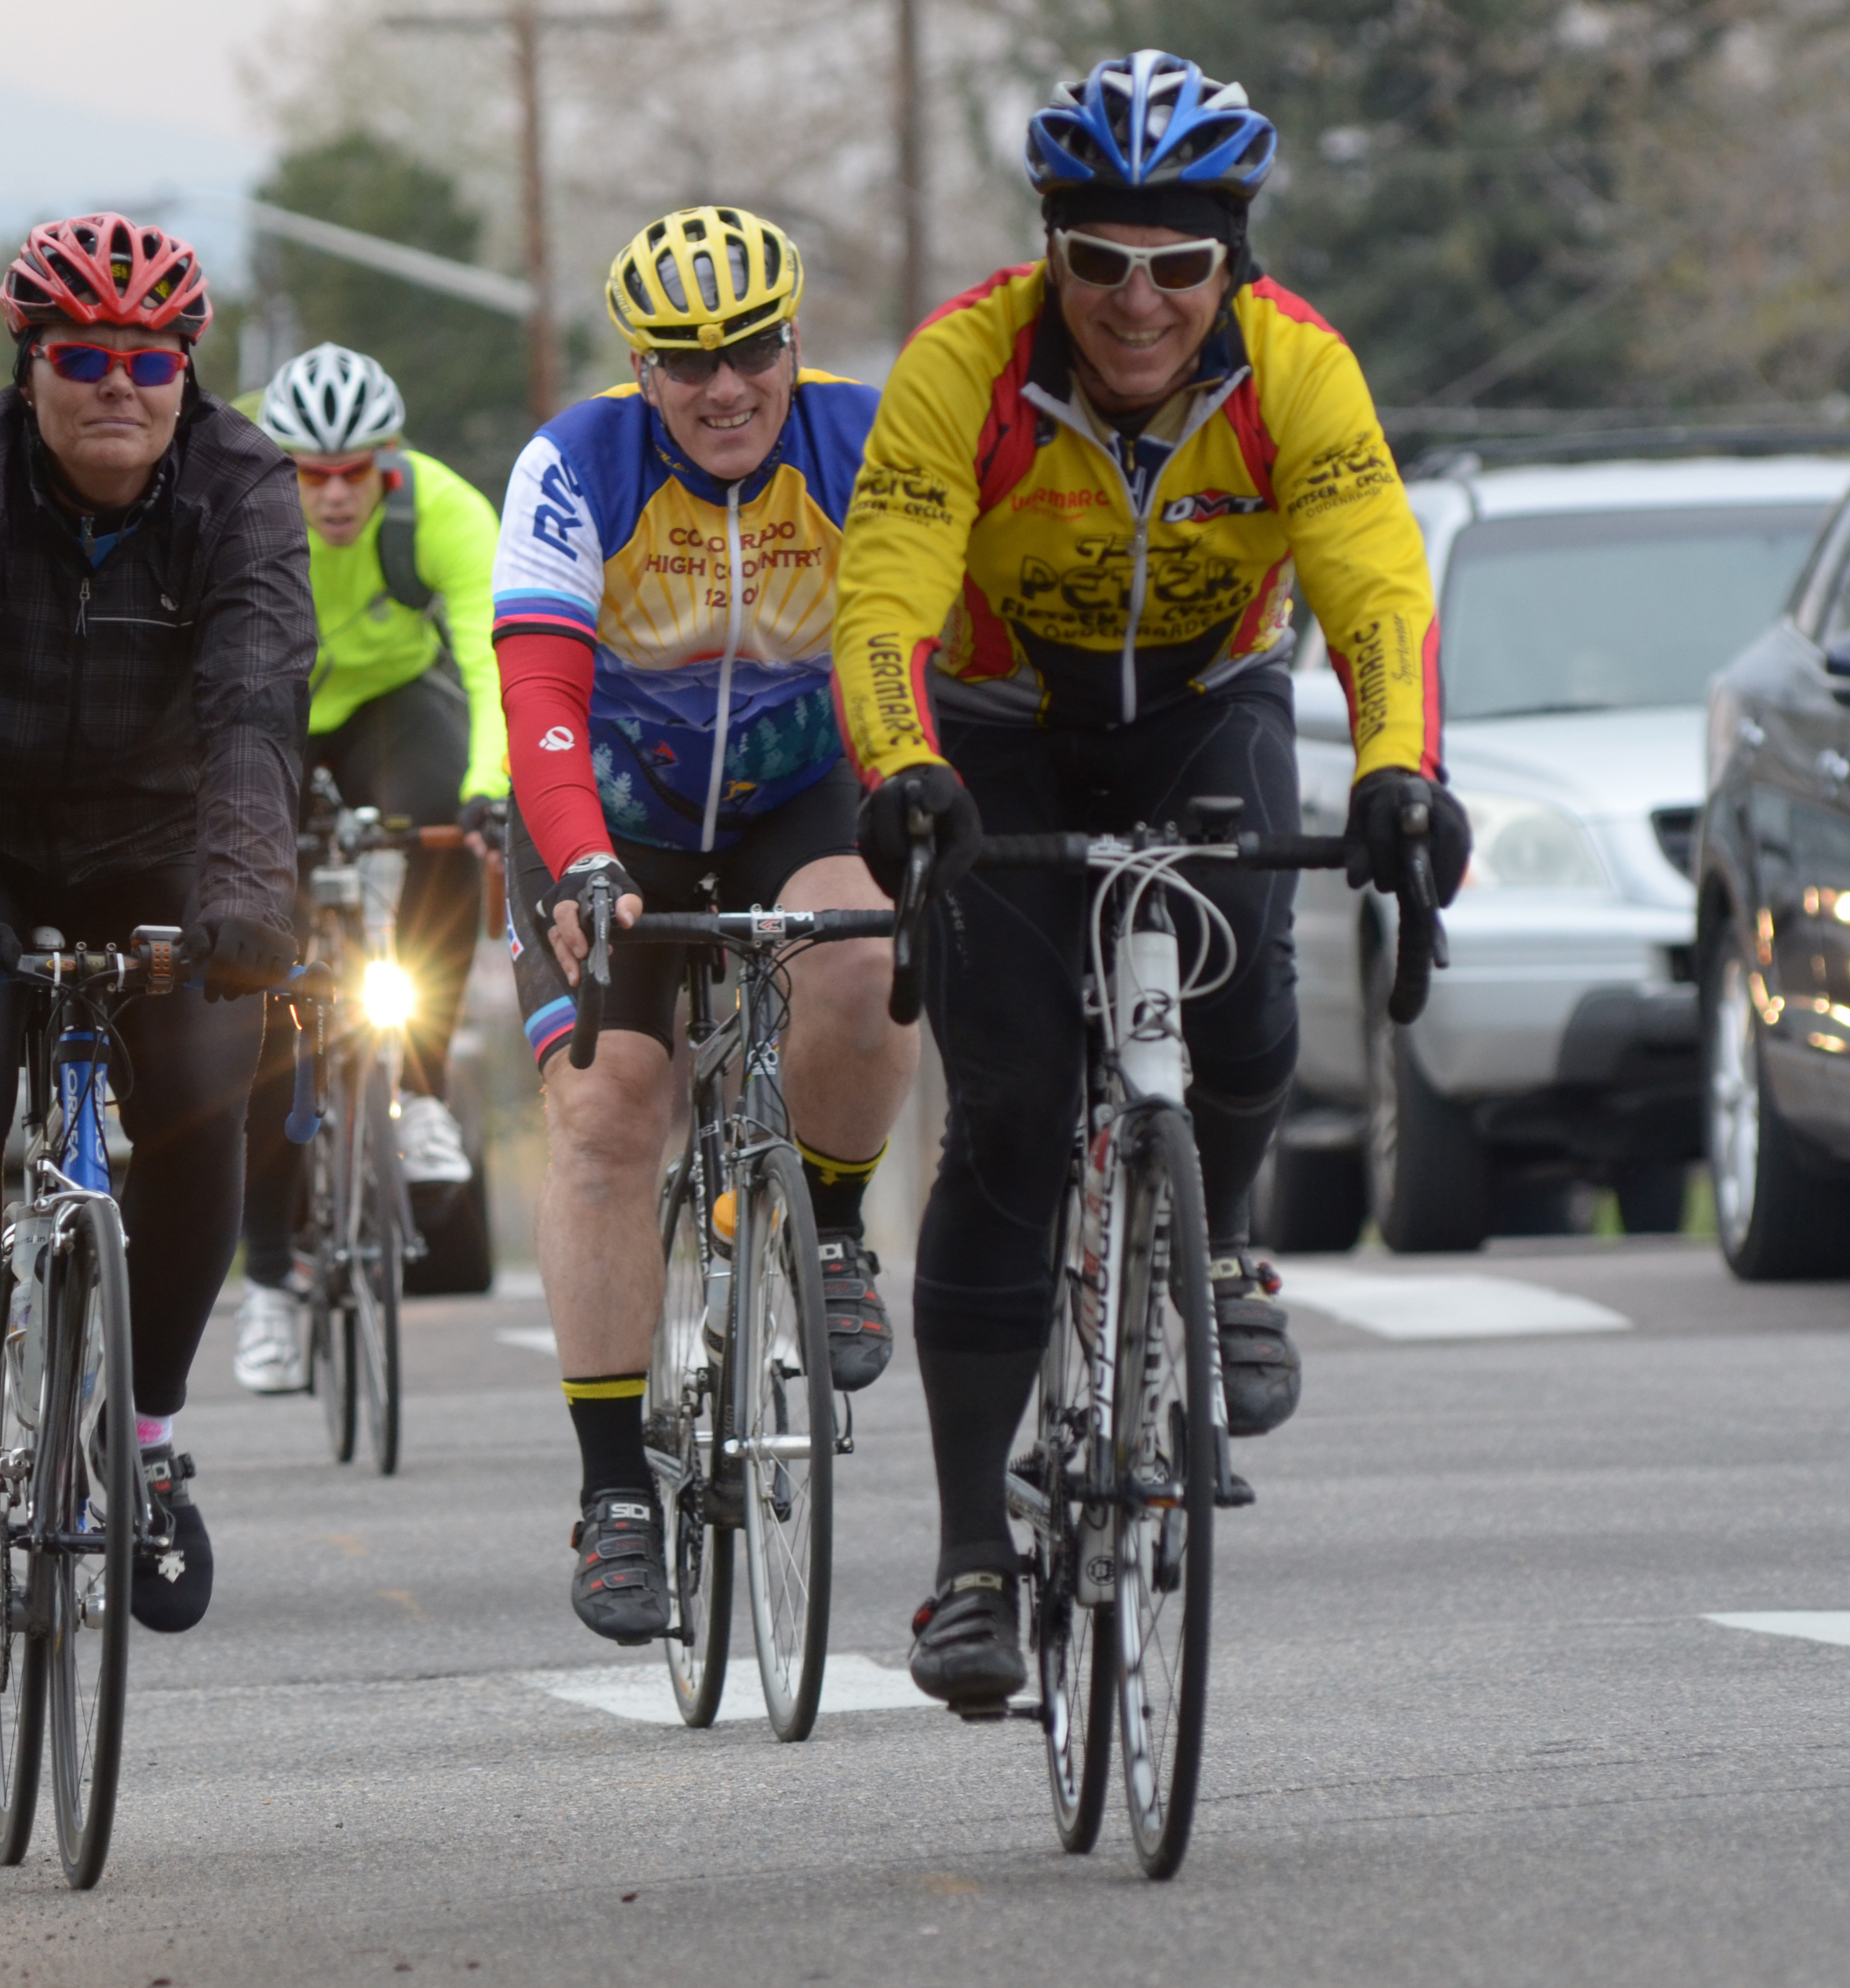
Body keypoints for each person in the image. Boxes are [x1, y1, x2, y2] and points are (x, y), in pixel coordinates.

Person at [829, 51, 1469, 1708]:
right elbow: (885, 584)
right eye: (1099, 260)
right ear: (1051, 252)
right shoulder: (961, 367)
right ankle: (974, 1559)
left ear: (1231, 259)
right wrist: (904, 770)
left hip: (1201, 707)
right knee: (1018, 1111)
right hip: (994, 725)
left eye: (1179, 266)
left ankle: (1227, 1242)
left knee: (1253, 1007)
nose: (1137, 302)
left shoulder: (1298, 369)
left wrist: (1402, 767)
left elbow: (1375, 584)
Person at [0, 213, 314, 1636]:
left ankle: (155, 1442)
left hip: (155, 839)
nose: (118, 385)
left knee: (200, 1087)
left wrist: (244, 902)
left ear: (189, 371)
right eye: (82, 356)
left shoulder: (243, 486)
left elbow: (255, 709)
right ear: (28, 365)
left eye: (149, 359)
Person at [495, 205, 923, 1644]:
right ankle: (616, 1490)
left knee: (861, 958)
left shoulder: (867, 444)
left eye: (753, 350)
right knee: (612, 1111)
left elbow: (934, 646)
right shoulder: (575, 466)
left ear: (796, 342)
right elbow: (542, 699)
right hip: (610, 815)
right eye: (687, 363)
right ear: (642, 368)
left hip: (803, 792)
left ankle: (841, 1229)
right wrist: (578, 861)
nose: (725, 386)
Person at [230, 343, 508, 1393]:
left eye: (360, 469)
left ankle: (423, 1088)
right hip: (274, 708)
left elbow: (488, 649)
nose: (338, 494)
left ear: (390, 457)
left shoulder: (437, 508)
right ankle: (266, 1285)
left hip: (393, 704)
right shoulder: (235, 495)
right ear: (283, 465)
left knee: (444, 823)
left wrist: (490, 791)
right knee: (259, 989)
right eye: (315, 473)